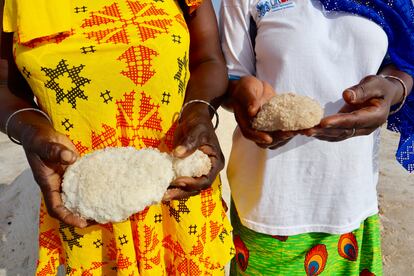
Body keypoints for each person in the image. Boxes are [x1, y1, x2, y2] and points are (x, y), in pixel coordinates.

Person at [0, 0, 234, 274]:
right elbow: (4, 86)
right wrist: (30, 132)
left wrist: (199, 112)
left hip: (178, 197)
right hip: (88, 212)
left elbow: (207, 59)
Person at [220, 0, 414, 274]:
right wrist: (243, 96)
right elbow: (232, 77)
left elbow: (404, 60)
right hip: (272, 208)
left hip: (352, 201)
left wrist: (393, 88)